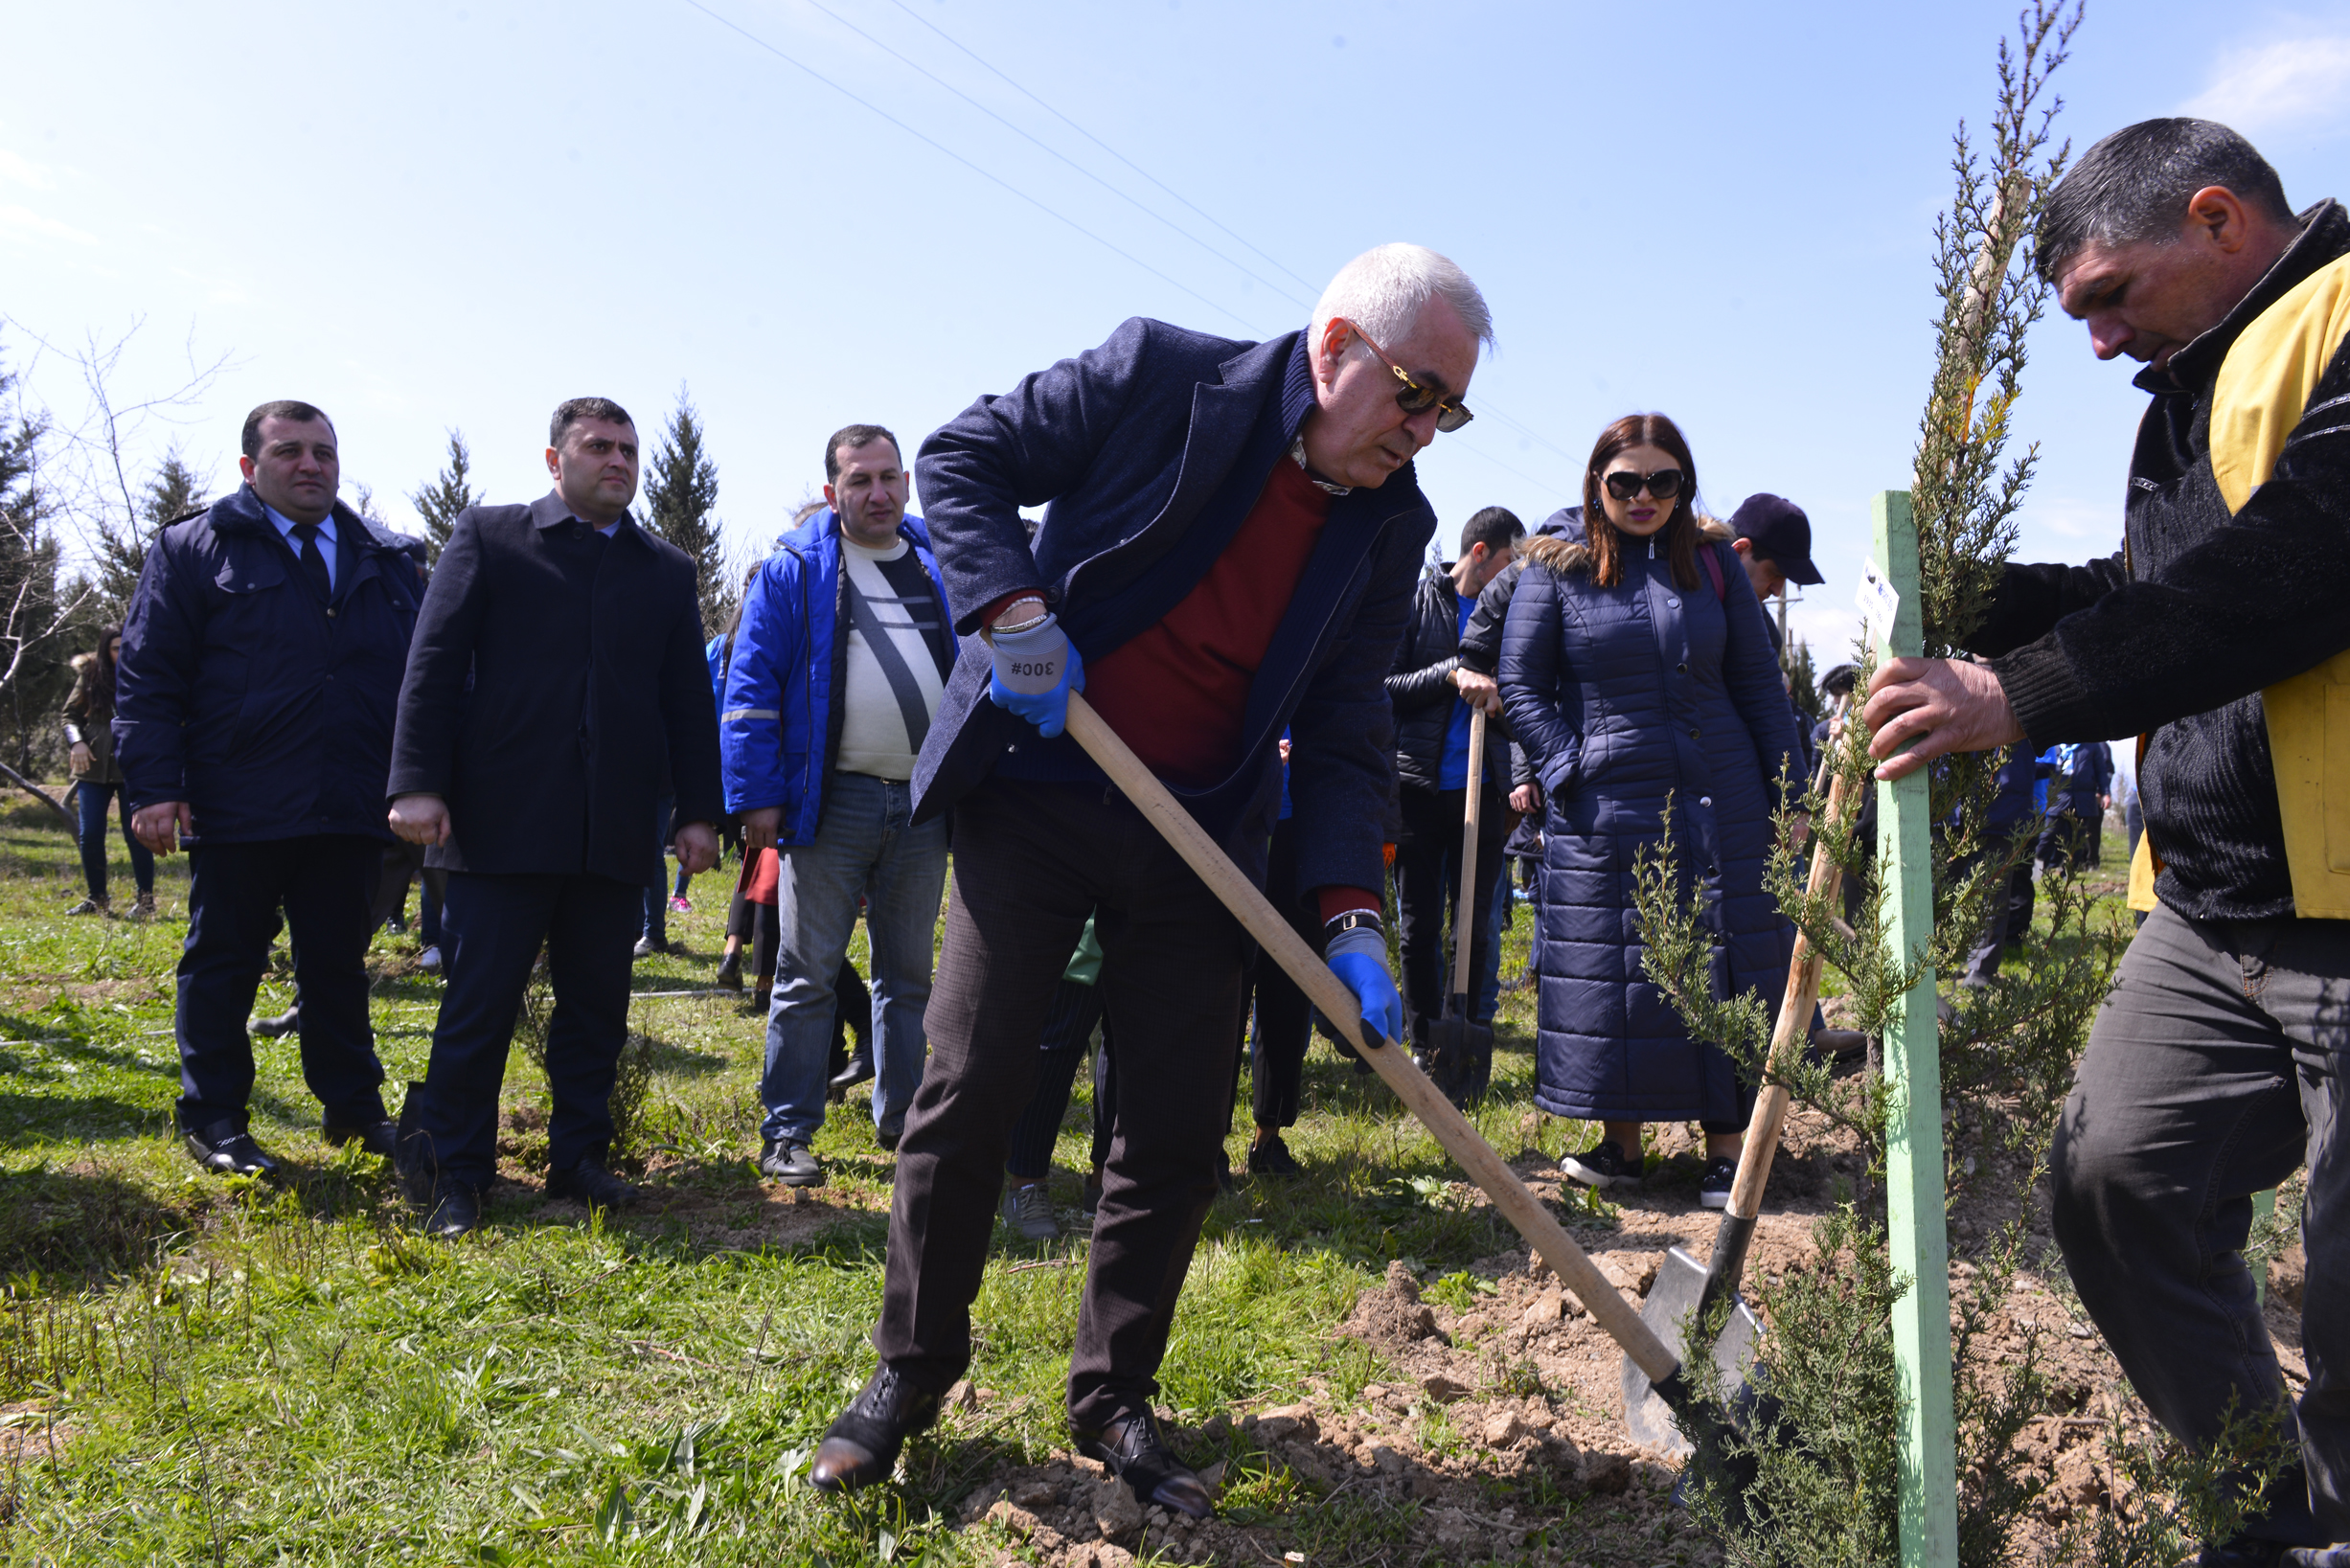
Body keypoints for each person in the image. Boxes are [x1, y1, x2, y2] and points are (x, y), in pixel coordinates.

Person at [808, 244, 1486, 1518]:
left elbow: (1342, 725)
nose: (1424, 432)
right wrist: (1010, 608)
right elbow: (961, 460)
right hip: (1043, 788)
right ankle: (908, 1374)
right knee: (970, 1082)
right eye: (1412, 393)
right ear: (1334, 345)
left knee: (1173, 1125)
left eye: (1448, 409)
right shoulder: (1162, 379)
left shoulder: (1388, 523)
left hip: (1200, 832)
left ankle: (1112, 1391)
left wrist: (1350, 917)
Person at [1860, 119, 2350, 1564]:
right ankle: (2271, 1516)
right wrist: (1962, 591)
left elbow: (2300, 567)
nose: (2094, 340)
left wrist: (2022, 695)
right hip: (2210, 912)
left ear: (2216, 219)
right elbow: (2154, 585)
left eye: (2107, 297)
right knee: (2114, 1181)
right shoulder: (2182, 393)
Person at [386, 398, 721, 1238]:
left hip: (611, 829)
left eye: (628, 449)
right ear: (554, 458)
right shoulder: (492, 539)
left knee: (597, 1006)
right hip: (503, 821)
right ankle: (456, 1169)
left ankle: (576, 1160)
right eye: (598, 446)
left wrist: (697, 812)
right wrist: (417, 782)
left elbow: (687, 701)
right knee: (480, 1002)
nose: (617, 460)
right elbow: (432, 666)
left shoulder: (665, 570)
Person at [1498, 413, 1806, 1212]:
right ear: (1596, 484)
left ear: (1683, 487)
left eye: (1661, 481)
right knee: (1615, 969)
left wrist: (1790, 796)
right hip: (1606, 803)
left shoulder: (1711, 564)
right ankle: (1619, 1148)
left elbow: (1759, 687)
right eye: (1624, 481)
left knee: (1725, 957)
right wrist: (1569, 766)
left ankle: (1727, 1151)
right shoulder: (1554, 566)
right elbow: (1521, 684)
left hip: (1723, 797)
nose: (1642, 496)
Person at [114, 400, 422, 1177]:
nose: (311, 465)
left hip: (351, 799)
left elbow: (426, 683)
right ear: (251, 468)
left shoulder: (386, 559)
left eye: (324, 451)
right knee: (224, 960)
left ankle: (353, 1109)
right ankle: (214, 1117)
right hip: (239, 797)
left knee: (336, 964)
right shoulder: (194, 549)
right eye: (290, 451)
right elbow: (150, 676)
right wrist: (154, 785)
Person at [721, 424, 955, 1186]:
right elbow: (751, 684)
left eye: (890, 476)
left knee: (908, 977)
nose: (878, 492)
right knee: (806, 971)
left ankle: (904, 1122)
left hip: (922, 806)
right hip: (830, 802)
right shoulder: (795, 568)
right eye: (860, 480)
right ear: (832, 492)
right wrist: (756, 796)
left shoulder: (937, 563)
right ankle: (787, 1131)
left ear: (908, 483)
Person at [1385, 506, 1522, 1103]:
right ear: (1480, 553)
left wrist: (1499, 706)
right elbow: (1383, 688)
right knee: (1418, 927)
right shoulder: (1420, 604)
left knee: (1476, 928)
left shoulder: (1516, 620)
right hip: (1417, 790)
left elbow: (1530, 701)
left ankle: (1466, 1029)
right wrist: (1451, 674)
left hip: (1482, 794)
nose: (1516, 579)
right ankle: (1424, 1041)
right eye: (1511, 564)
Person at [61, 627, 155, 919]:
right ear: (104, 650)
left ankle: (145, 902)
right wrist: (75, 741)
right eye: (115, 648)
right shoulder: (90, 675)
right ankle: (97, 900)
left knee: (136, 834)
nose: (121, 652)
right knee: (90, 835)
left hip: (132, 765)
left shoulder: (144, 671)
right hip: (92, 768)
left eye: (125, 647)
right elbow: (69, 715)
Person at [1723, 492, 1825, 656]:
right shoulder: (1675, 589)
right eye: (1774, 573)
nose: (1777, 591)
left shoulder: (1767, 638)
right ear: (1740, 550)